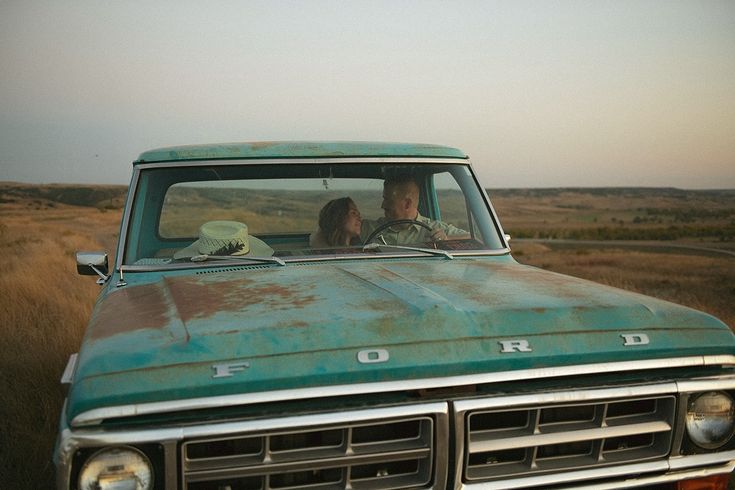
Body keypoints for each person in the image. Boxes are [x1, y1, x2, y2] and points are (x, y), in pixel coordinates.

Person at [360, 176, 468, 245]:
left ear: (407, 204)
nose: (382, 205)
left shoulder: (434, 229)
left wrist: (447, 239)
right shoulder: (369, 228)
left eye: (388, 200)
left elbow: (476, 239)